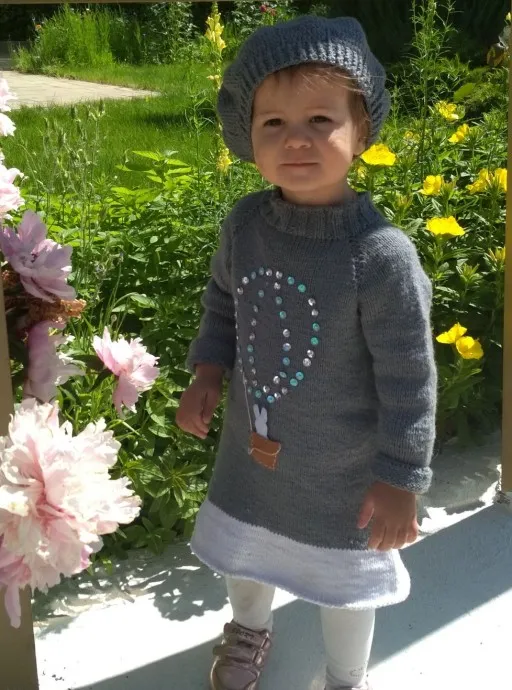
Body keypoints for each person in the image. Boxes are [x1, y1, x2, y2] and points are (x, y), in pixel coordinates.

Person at [177, 15, 437, 690]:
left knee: (345, 584)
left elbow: (411, 377)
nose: (296, 138)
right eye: (274, 123)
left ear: (362, 131)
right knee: (243, 550)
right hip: (252, 458)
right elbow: (224, 303)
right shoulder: (245, 226)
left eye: (321, 120)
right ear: (247, 137)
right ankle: (248, 628)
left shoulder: (379, 258)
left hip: (344, 475)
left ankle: (346, 676)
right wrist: (208, 369)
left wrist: (401, 477)